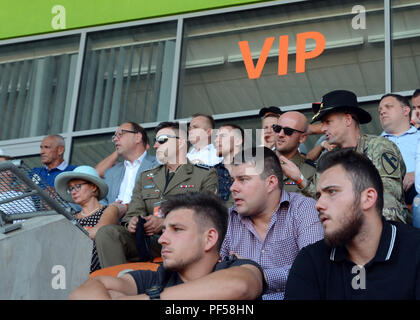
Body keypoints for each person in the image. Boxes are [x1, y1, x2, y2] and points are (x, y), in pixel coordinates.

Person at [69, 192, 265, 300]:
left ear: (209, 238)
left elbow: (239, 286)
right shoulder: (153, 278)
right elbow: (83, 292)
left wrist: (148, 299)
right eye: (164, 231)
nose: (162, 239)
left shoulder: (237, 268)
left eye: (177, 229)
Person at [285, 148, 420, 300]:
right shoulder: (311, 261)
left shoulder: (414, 250)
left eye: (332, 192)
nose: (318, 204)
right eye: (319, 195)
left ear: (368, 198)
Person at [95, 121, 219, 268]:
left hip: (183, 240)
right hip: (148, 242)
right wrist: (133, 223)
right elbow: (132, 213)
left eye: (162, 140)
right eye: (155, 141)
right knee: (107, 232)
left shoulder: (204, 174)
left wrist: (165, 223)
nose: (155, 146)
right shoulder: (146, 176)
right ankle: (117, 283)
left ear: (180, 143)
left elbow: (207, 214)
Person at [280, 89, 410, 224]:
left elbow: (386, 200)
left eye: (328, 122)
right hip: (342, 229)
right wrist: (299, 179)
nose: (323, 129)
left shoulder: (378, 147)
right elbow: (322, 199)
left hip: (383, 229)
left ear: (348, 120)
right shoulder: (328, 157)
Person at [220, 146, 323, 300]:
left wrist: (254, 275)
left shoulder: (303, 209)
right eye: (233, 180)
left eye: (243, 179)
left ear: (271, 182)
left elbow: (312, 269)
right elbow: (211, 271)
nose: (233, 188)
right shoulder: (229, 219)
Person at [55, 166, 119, 273]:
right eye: (71, 188)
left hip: (104, 271)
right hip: (74, 272)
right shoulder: (71, 217)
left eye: (78, 186)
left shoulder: (109, 209)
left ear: (93, 187)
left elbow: (100, 232)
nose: (73, 192)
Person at [99, 122, 159, 218]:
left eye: (120, 134)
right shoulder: (111, 172)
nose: (115, 139)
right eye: (114, 136)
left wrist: (126, 207)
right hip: (112, 221)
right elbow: (100, 199)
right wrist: (109, 209)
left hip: (143, 220)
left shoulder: (158, 166)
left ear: (137, 137)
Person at [379, 93, 420, 206]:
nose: (382, 112)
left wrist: (416, 174)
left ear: (406, 111)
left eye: (388, 107)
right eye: (380, 110)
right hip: (385, 200)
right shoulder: (372, 144)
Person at [273, 111, 316, 195]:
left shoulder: (310, 171)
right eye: (277, 129)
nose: (280, 134)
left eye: (288, 131)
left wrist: (300, 181)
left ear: (302, 138)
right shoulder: (257, 164)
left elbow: (320, 201)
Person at [213, 124, 244, 206]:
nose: (216, 140)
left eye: (222, 136)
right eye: (216, 137)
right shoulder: (211, 172)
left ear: (238, 141)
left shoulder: (252, 169)